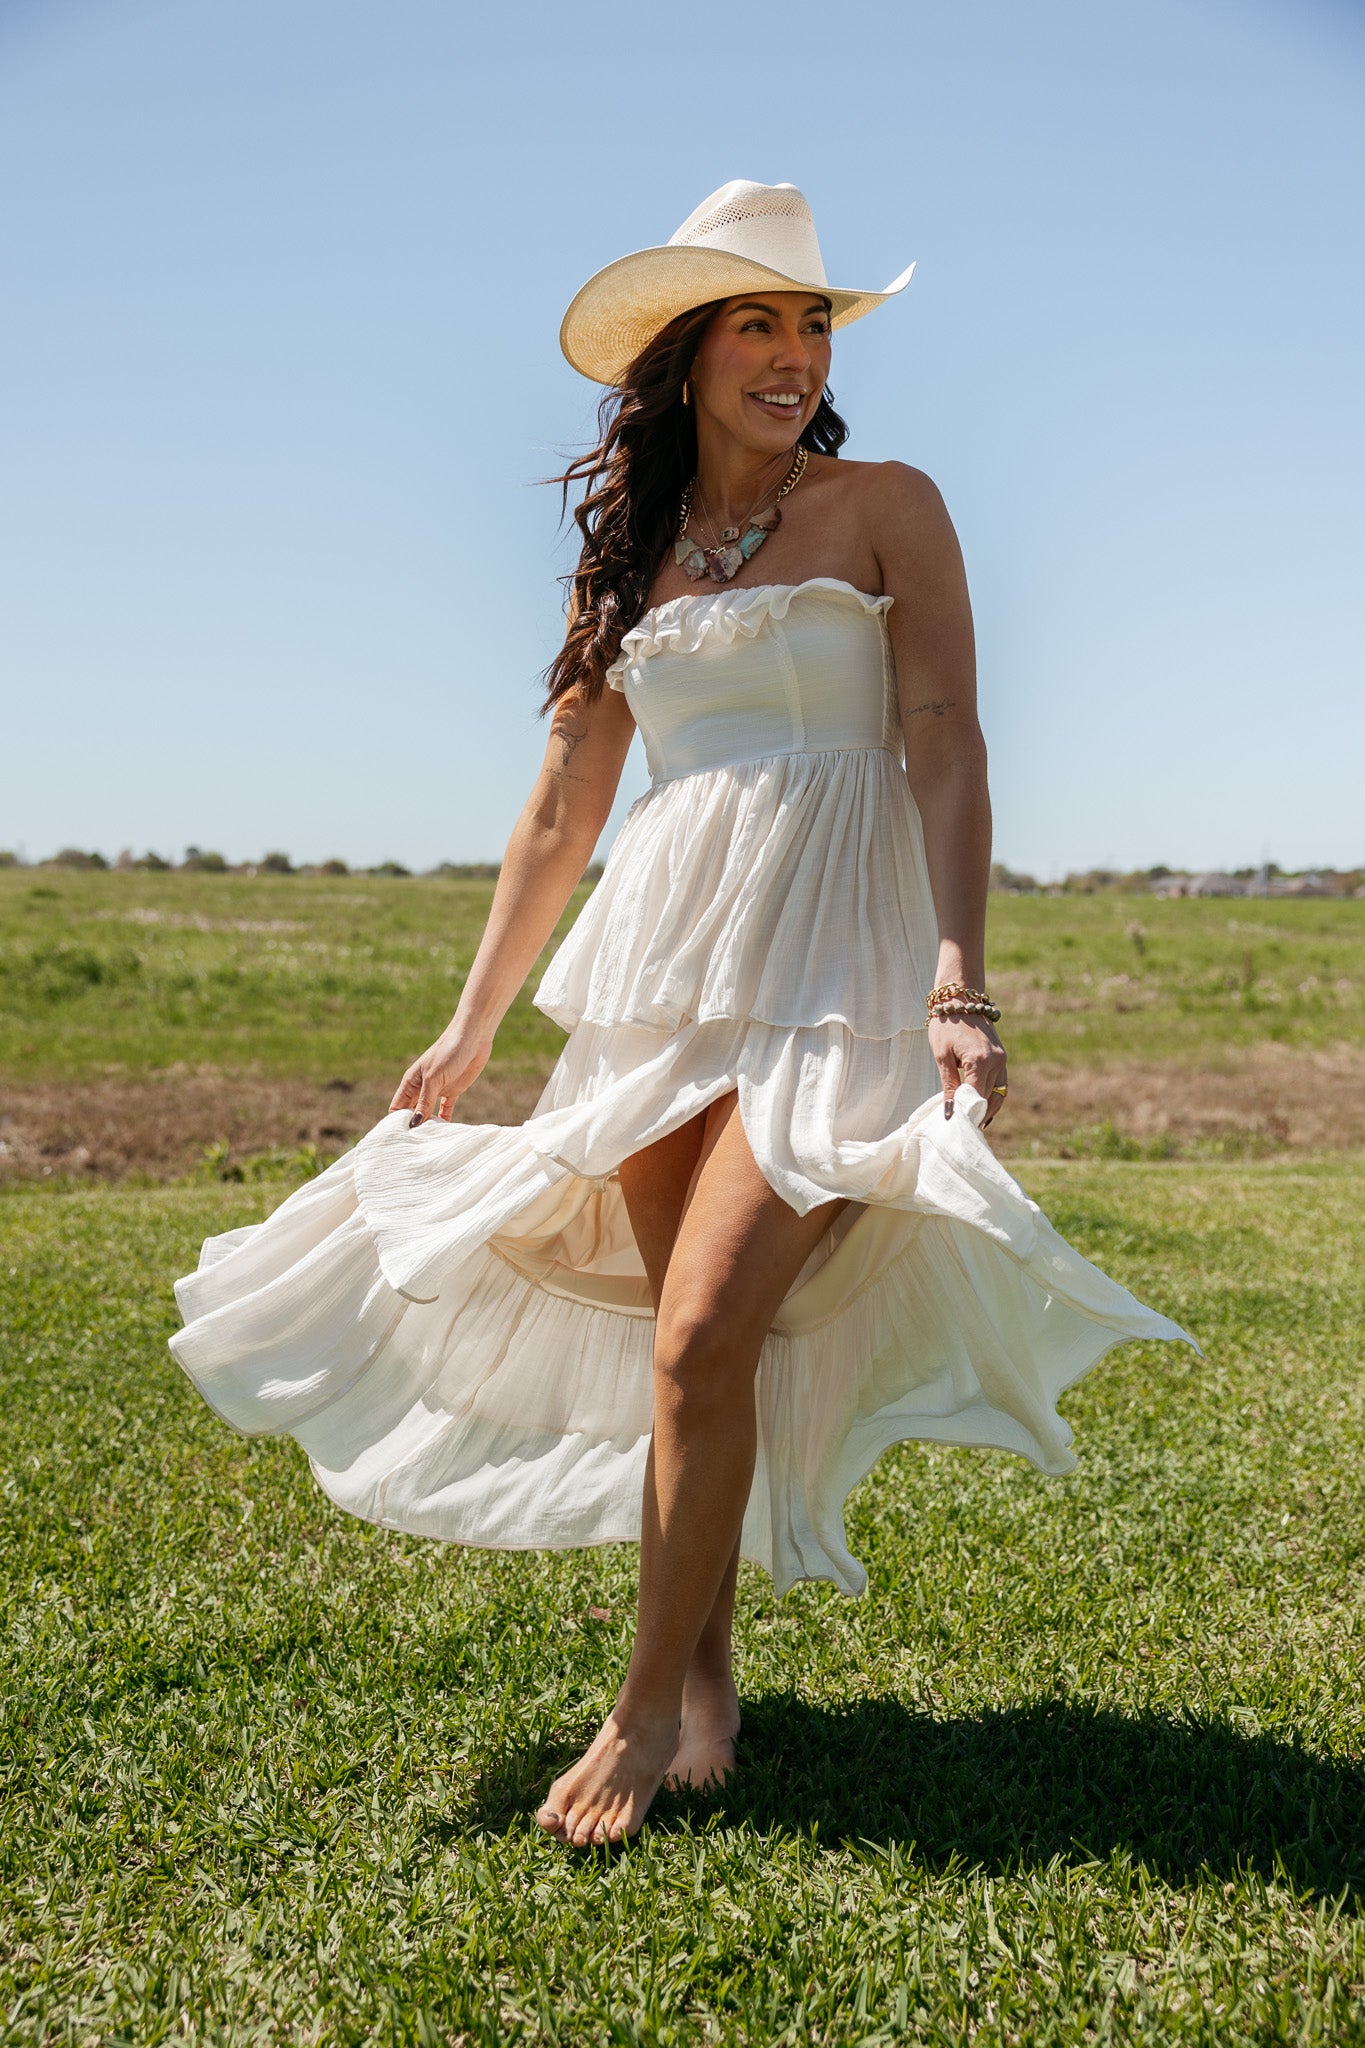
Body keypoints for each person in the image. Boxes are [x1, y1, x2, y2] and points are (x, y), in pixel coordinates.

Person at [170, 179, 1196, 1850]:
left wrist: (959, 979)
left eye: (813, 325)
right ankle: (704, 1670)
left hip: (837, 964)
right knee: (681, 1349)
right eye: (757, 324)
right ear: (686, 355)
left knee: (711, 1326)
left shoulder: (886, 505)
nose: (794, 355)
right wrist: (472, 1024)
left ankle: (642, 1712)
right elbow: (559, 810)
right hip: (662, 967)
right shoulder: (627, 560)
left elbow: (944, 739)